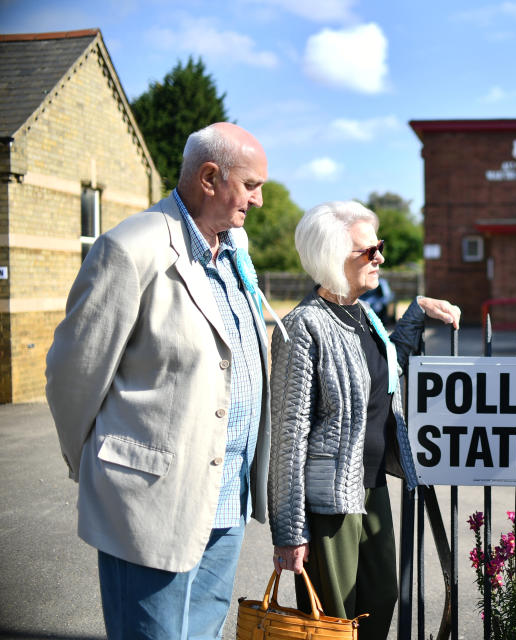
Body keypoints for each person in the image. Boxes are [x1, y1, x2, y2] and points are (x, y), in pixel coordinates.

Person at [46, 122, 271, 639]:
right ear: (210, 177)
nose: (258, 201)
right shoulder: (131, 247)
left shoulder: (235, 249)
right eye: (252, 185)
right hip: (149, 500)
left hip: (226, 497)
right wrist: (102, 465)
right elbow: (71, 375)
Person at [269, 201, 460, 637]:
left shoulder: (363, 314)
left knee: (380, 600)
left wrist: (417, 312)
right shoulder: (304, 327)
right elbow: (288, 437)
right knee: (334, 620)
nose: (381, 258)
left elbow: (384, 369)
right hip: (327, 504)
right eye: (368, 251)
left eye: (380, 247)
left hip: (372, 487)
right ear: (333, 259)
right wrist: (290, 530)